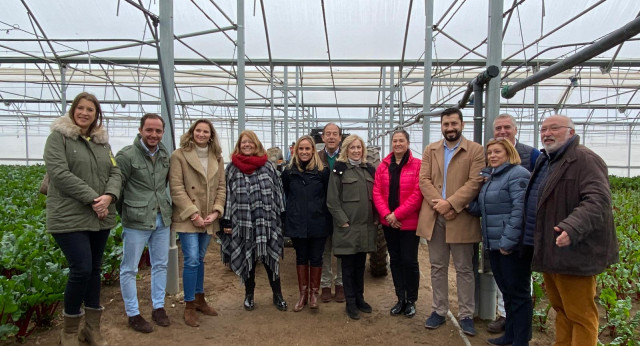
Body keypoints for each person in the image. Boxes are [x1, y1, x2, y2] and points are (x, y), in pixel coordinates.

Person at [525, 115, 618, 345]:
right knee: (561, 309)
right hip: (552, 248)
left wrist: (572, 227)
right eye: (543, 129)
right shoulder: (547, 160)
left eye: (554, 128)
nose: (547, 133)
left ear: (571, 132)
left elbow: (598, 200)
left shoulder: (584, 159)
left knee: (581, 314)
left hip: (575, 251)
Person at [44, 92, 121, 346]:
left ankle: (91, 329)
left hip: (99, 216)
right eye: (81, 108)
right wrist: (93, 198)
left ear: (96, 114)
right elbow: (59, 173)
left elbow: (115, 171)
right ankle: (68, 331)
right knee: (82, 269)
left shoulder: (102, 143)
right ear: (72, 110)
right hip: (69, 215)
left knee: (95, 270)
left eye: (90, 110)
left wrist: (109, 196)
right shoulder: (59, 138)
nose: (85, 113)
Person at [417, 108, 484, 336]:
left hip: (461, 216)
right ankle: (439, 310)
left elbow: (475, 182)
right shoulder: (431, 150)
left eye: (454, 124)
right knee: (437, 267)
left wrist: (451, 203)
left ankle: (466, 315)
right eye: (446, 124)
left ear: (462, 125)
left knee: (464, 268)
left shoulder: (475, 150)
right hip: (435, 215)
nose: (450, 128)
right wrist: (440, 205)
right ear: (442, 126)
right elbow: (424, 179)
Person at [467, 139, 532, 346]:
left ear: (509, 153)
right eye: (490, 153)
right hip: (494, 244)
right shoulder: (492, 177)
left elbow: (519, 210)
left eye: (498, 152)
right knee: (508, 292)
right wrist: (467, 199)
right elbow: (481, 210)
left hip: (510, 247)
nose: (493, 156)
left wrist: (508, 242)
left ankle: (521, 340)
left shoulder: (518, 174)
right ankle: (510, 335)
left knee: (519, 294)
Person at [116, 113, 172, 333]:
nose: (154, 135)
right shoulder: (127, 156)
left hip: (162, 217)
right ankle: (133, 313)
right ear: (140, 130)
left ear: (163, 133)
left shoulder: (164, 154)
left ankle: (158, 307)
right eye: (149, 130)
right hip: (136, 220)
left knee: (160, 264)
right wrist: (127, 211)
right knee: (129, 268)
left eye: (158, 131)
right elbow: (117, 188)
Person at [219, 130, 287, 311]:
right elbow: (226, 195)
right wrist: (226, 220)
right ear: (239, 146)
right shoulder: (231, 169)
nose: (247, 145)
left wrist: (282, 216)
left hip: (267, 222)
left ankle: (277, 295)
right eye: (243, 143)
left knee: (270, 258)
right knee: (246, 258)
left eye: (250, 142)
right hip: (242, 223)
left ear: (256, 144)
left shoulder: (268, 166)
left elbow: (278, 193)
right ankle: (249, 295)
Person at [169, 119, 226, 327]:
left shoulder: (217, 158)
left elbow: (221, 187)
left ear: (211, 135)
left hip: (208, 216)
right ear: (192, 132)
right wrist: (193, 214)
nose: (201, 134)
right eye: (198, 130)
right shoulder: (179, 155)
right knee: (192, 259)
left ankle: (200, 298)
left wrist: (216, 211)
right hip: (188, 217)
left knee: (200, 259)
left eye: (206, 132)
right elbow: (176, 187)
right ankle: (189, 304)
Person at [488, 113, 541, 334]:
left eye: (506, 127)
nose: (502, 132)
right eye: (498, 128)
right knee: (506, 286)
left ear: (515, 129)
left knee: (519, 287)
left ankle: (520, 336)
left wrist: (510, 239)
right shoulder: (493, 165)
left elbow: (522, 206)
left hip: (515, 239)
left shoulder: (529, 158)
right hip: (495, 236)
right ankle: (508, 327)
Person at [372, 130, 423, 318]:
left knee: (409, 261)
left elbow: (418, 194)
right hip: (389, 224)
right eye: (395, 141)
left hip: (408, 223)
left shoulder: (418, 165)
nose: (398, 144)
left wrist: (397, 215)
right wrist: (387, 215)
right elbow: (376, 192)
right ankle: (400, 298)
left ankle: (411, 300)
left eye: (401, 140)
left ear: (408, 143)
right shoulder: (384, 166)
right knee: (395, 261)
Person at [326, 134, 377, 320]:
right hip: (347, 228)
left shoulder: (368, 170)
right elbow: (332, 201)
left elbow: (376, 196)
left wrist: (377, 217)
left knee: (360, 266)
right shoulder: (339, 171)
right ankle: (351, 302)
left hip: (365, 228)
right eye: (352, 147)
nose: (356, 151)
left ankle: (360, 299)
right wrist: (343, 221)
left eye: (359, 147)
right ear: (346, 150)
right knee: (347, 267)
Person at [281, 135, 330, 312]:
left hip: (318, 221)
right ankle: (302, 294)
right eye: (301, 149)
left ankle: (313, 295)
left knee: (316, 258)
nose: (304, 152)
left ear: (313, 151)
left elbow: (327, 196)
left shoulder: (322, 171)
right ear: (295, 151)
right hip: (297, 222)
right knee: (301, 257)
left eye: (307, 149)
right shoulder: (288, 172)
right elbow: (286, 194)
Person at [317, 123, 345, 303]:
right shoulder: (316, 158)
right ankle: (325, 285)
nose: (332, 137)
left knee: (342, 249)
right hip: (322, 210)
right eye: (328, 134)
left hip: (343, 210)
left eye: (335, 134)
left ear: (340, 138)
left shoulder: (347, 156)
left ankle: (341, 284)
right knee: (324, 249)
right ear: (323, 138)